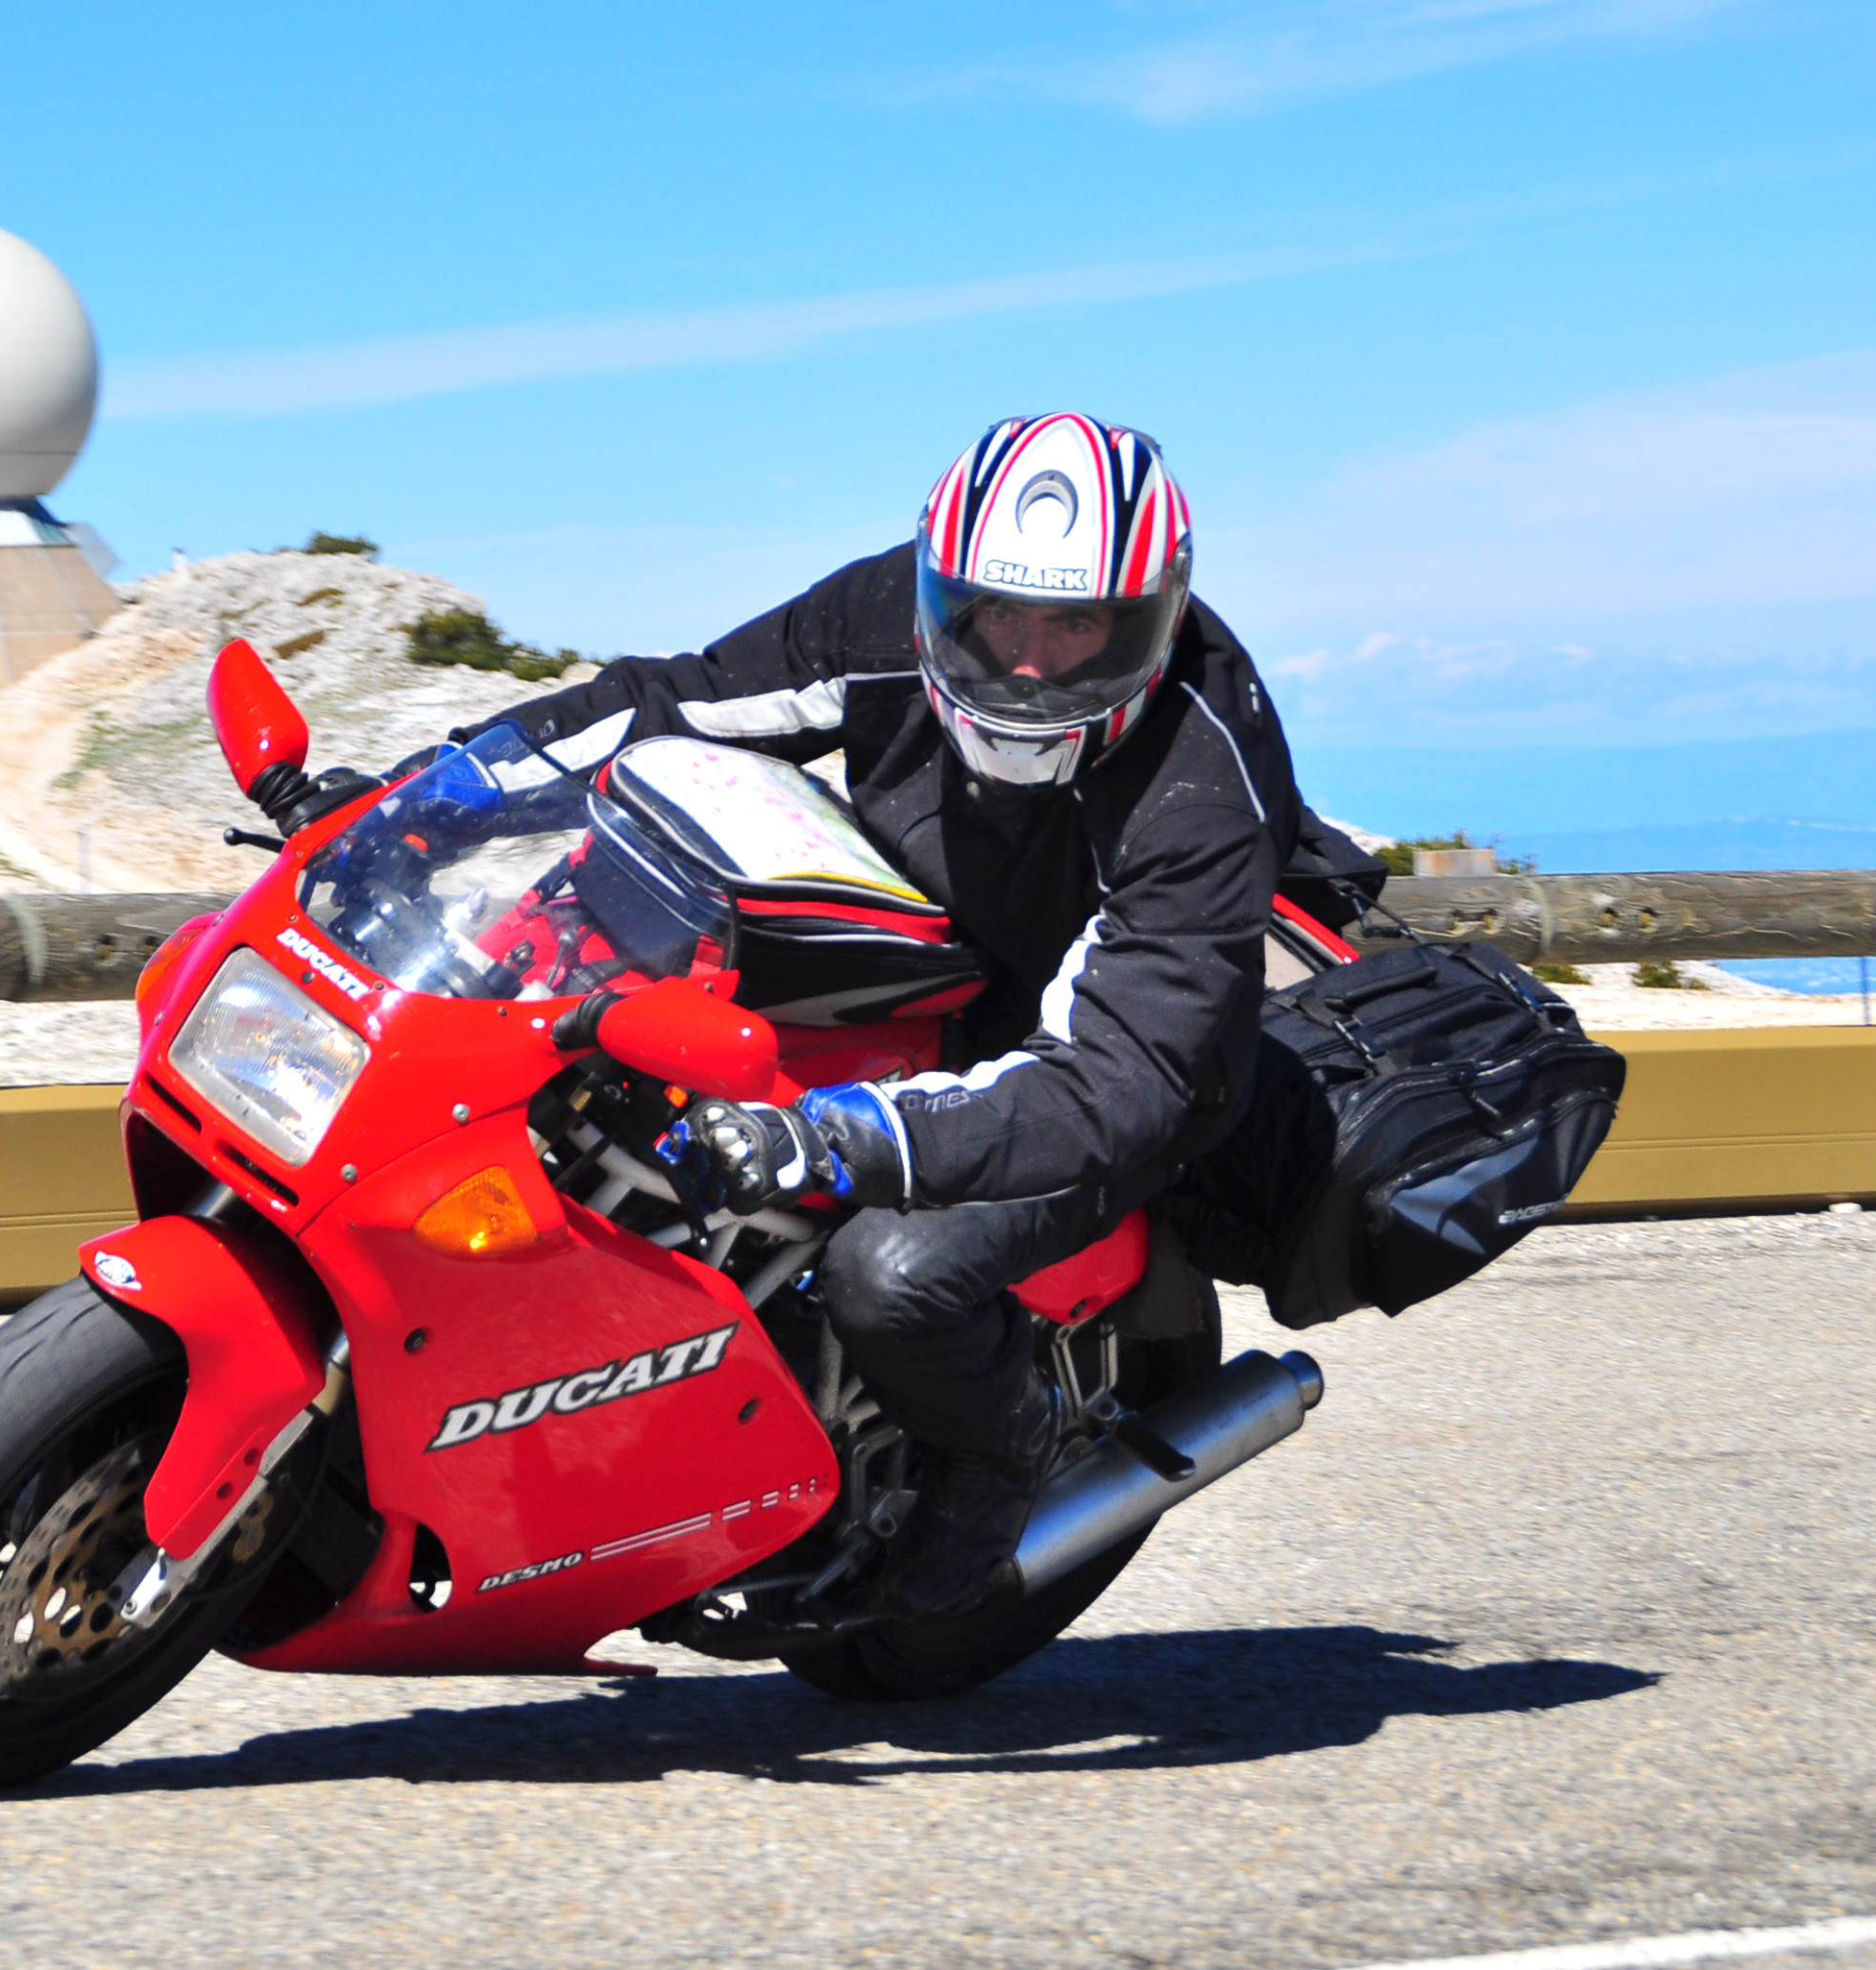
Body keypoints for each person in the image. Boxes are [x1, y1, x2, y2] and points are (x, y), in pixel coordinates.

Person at [470, 412, 1354, 1617]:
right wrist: (445, 785)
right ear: (950, 596)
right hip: (929, 977)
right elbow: (676, 702)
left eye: (1077, 624)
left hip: (1115, 1073)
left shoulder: (1205, 779)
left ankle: (1004, 1465)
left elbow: (1120, 1078)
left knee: (890, 1274)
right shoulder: (895, 615)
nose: (1031, 661)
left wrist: (837, 1138)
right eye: (1001, 617)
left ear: (1148, 618)